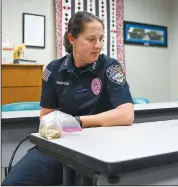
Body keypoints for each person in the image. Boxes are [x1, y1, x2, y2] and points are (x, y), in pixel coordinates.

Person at [2, 11, 134, 186]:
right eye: (91, 39)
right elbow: (46, 116)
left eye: (101, 39)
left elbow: (126, 114)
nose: (99, 45)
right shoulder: (53, 70)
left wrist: (77, 122)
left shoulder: (110, 67)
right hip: (60, 147)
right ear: (72, 39)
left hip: (100, 148)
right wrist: (61, 125)